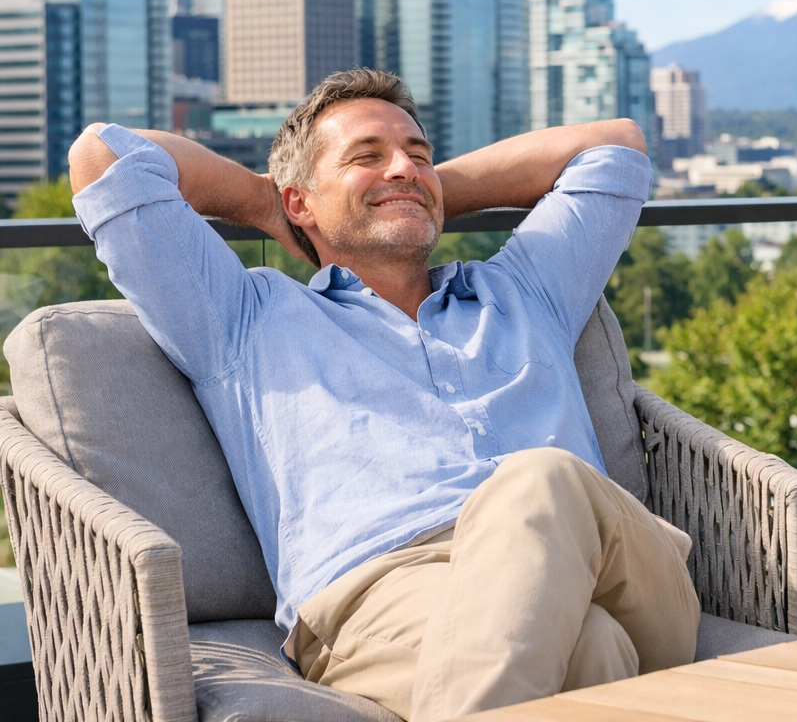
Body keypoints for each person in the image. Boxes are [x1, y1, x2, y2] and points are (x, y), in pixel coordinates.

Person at [67, 68, 700, 721]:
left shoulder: (528, 289)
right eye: (367, 155)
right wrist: (266, 202)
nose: (403, 166)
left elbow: (616, 146)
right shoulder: (242, 320)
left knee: (543, 480)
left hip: (607, 562)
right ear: (301, 202)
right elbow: (103, 155)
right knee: (595, 647)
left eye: (417, 154)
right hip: (386, 598)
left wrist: (421, 187)